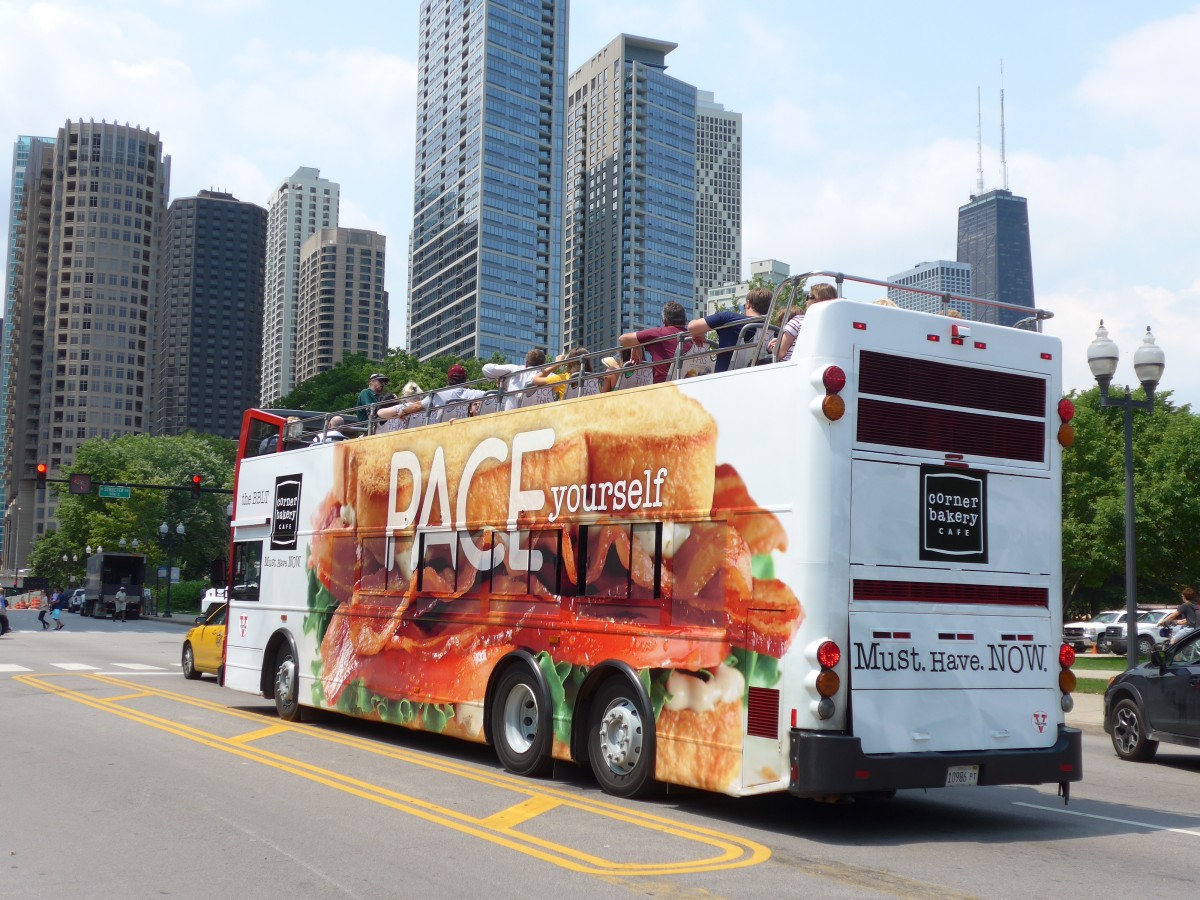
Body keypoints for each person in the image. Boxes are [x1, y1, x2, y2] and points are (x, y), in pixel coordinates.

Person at [687, 287, 772, 374]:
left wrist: (699, 333)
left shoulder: (729, 318)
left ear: (748, 304)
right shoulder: (774, 331)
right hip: (759, 377)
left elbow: (692, 327)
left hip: (725, 377)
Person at [380, 364, 488, 422]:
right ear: (464, 379)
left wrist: (403, 412)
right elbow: (493, 395)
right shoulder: (474, 394)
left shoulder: (439, 394)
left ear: (448, 379)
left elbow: (418, 405)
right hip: (463, 431)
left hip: (441, 433)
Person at [619, 301, 687, 384]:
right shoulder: (695, 337)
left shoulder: (659, 333)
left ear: (665, 321)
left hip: (664, 387)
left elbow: (622, 339)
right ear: (685, 321)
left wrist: (636, 344)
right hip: (693, 385)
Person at [769, 282, 838, 363]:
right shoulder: (835, 325)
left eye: (808, 297)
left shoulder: (798, 321)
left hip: (791, 367)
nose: (806, 301)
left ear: (817, 300)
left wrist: (774, 347)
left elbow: (781, 353)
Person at [483, 349, 547, 411]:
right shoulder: (550, 375)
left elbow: (486, 369)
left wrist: (500, 377)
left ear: (526, 363)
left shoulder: (516, 369)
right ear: (544, 364)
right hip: (542, 414)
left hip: (514, 413)